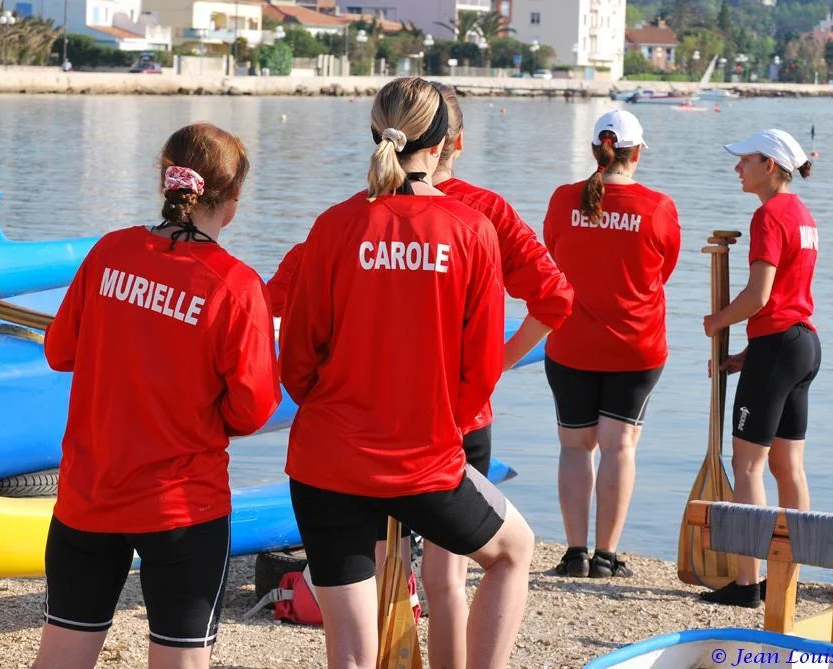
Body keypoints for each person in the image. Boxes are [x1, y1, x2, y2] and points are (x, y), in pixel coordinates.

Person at [280, 77, 534, 669]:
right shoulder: (471, 229)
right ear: (444, 142)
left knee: (349, 645)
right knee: (513, 551)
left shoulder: (334, 225)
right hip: (421, 458)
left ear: (377, 134)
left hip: (327, 457)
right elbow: (478, 372)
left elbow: (296, 355)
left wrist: (336, 407)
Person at [33, 123, 281, 669]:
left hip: (90, 494)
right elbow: (254, 409)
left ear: (165, 181)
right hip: (182, 506)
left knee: (61, 659)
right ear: (233, 198)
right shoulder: (235, 285)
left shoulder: (110, 251)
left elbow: (59, 351)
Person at [420, 80, 573, 669]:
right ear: (457, 142)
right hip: (459, 416)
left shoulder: (364, 209)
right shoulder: (485, 210)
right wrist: (499, 364)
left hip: (371, 418)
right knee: (447, 570)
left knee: (391, 571)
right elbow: (556, 299)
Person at [542, 109, 681, 579]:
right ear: (636, 153)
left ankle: (574, 553)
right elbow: (663, 270)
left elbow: (555, 253)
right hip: (635, 346)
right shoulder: (658, 207)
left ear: (595, 150)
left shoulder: (563, 200)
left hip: (571, 343)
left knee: (575, 446)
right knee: (619, 446)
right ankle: (606, 556)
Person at [700, 129, 819, 608]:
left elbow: (760, 295)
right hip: (802, 345)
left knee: (747, 465)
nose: (737, 169)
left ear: (769, 165)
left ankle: (748, 583)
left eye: (744, 160)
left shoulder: (769, 215)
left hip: (778, 348)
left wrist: (718, 321)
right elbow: (789, 301)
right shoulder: (804, 215)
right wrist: (745, 356)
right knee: (788, 466)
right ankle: (791, 575)